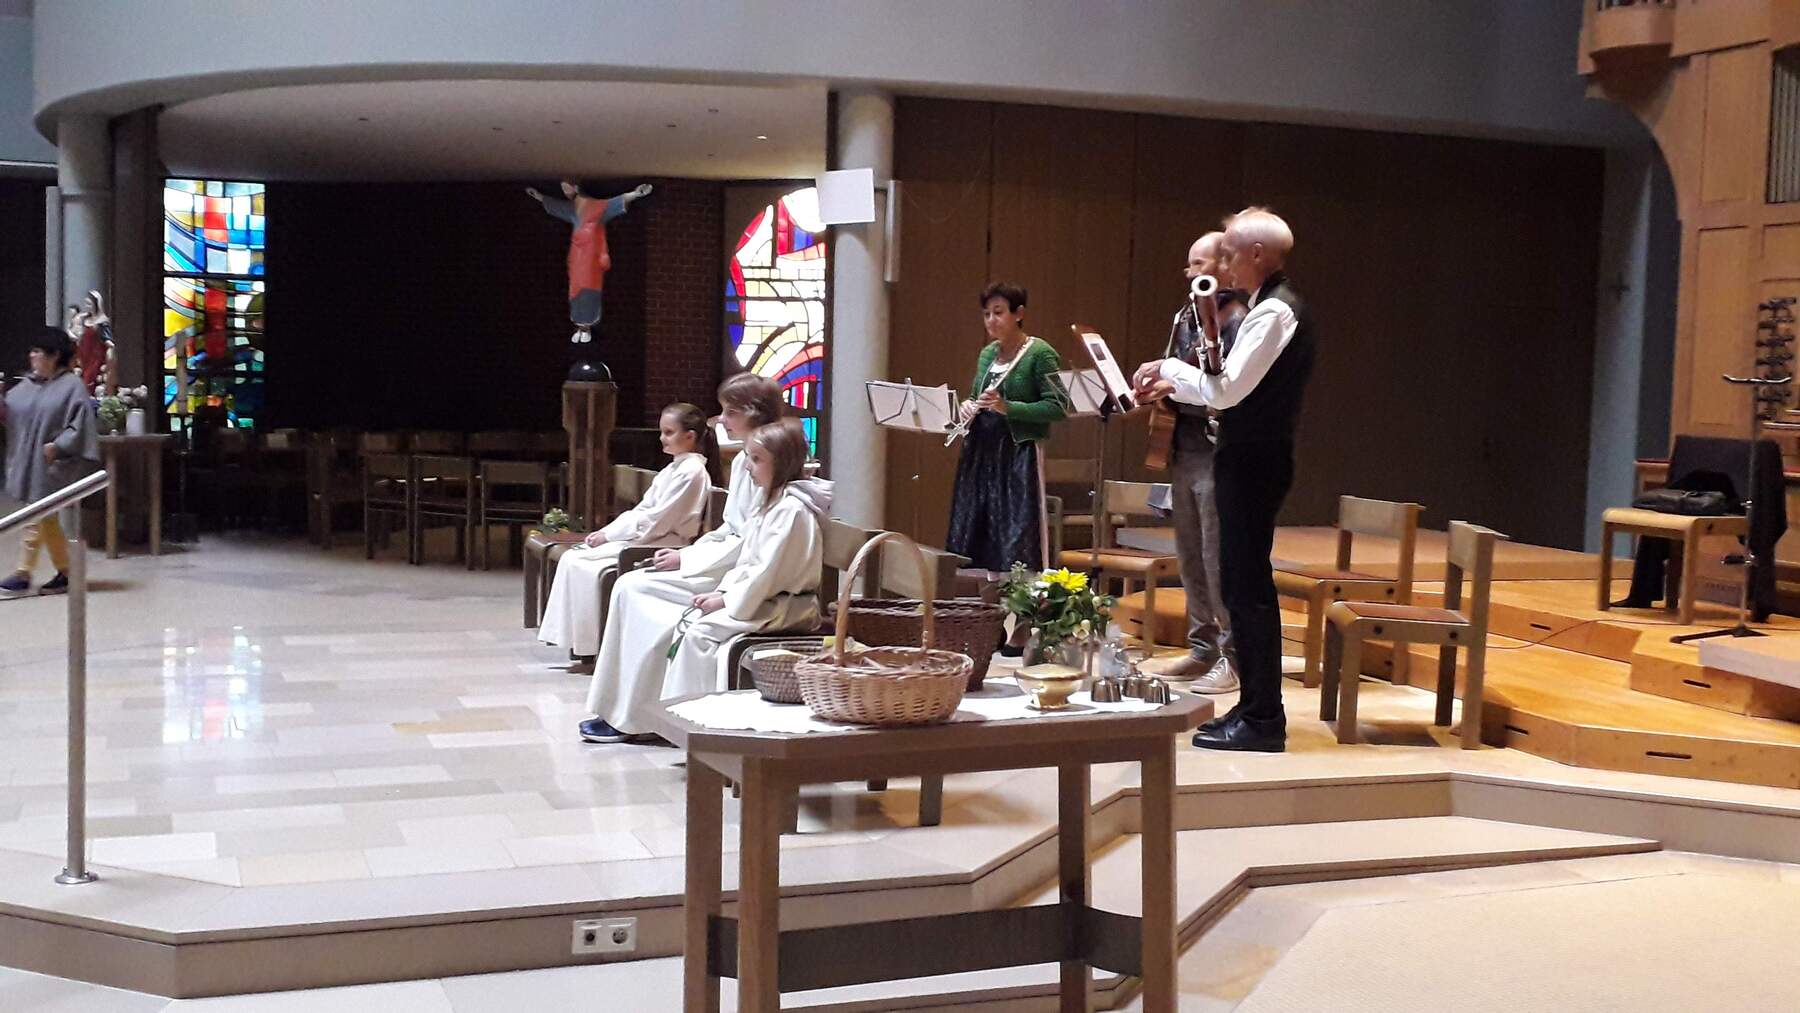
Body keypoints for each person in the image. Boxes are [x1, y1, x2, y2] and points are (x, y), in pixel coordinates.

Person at [1135, 209, 1315, 752]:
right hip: (1247, 458)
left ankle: (1263, 719)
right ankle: (1253, 707)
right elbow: (1220, 383)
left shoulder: (1274, 312)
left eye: (1231, 253)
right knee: (1239, 587)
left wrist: (1169, 371)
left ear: (1257, 254)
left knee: (1248, 591)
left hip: (1255, 460)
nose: (1225, 262)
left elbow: (1226, 391)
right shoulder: (1263, 306)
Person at [581, 418, 829, 743]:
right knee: (684, 620)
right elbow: (751, 564)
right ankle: (666, 719)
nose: (748, 467)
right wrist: (724, 592)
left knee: (697, 633)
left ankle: (694, 729)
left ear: (782, 462)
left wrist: (725, 599)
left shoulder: (791, 510)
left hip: (783, 607)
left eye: (757, 460)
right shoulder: (774, 502)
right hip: (762, 598)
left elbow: (767, 573)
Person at [572, 372, 782, 741]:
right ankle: (623, 711)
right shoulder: (745, 460)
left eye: (729, 412)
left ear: (754, 412)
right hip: (719, 561)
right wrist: (687, 554)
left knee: (637, 593)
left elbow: (752, 541)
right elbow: (729, 529)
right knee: (630, 586)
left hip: (734, 574)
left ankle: (640, 717)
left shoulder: (769, 462)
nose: (720, 420)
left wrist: (689, 561)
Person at [1146, 232, 1249, 693]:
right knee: (1189, 555)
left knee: (1216, 557)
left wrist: (1172, 384)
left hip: (1216, 447)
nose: (1192, 273)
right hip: (1182, 443)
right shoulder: (1185, 314)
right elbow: (1177, 370)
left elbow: (1224, 389)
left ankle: (1234, 657)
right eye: (1189, 265)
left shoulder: (1238, 317)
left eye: (1201, 263)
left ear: (1225, 266)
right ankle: (1202, 647)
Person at [537, 402, 717, 660]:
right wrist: (607, 533)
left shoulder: (692, 472)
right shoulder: (674, 468)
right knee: (574, 557)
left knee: (582, 564)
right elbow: (642, 510)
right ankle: (579, 641)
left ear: (689, 437)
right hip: (649, 535)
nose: (662, 438)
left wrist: (611, 536)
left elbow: (658, 520)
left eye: (669, 432)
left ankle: (590, 645)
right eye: (662, 432)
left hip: (663, 541)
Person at [945, 282, 1068, 576]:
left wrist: (1008, 407)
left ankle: (1023, 596)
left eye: (998, 312)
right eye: (986, 314)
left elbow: (1058, 407)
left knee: (1018, 529)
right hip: (982, 449)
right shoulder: (987, 354)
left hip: (1018, 449)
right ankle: (990, 599)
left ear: (1019, 313)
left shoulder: (1040, 353)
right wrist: (967, 405)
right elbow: (975, 396)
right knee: (986, 529)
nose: (991, 320)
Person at [1, 328, 102, 597]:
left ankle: (25, 572)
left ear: (54, 355)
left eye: (38, 351)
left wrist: (59, 445)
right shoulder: (29, 384)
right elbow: (12, 410)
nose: (32, 356)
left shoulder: (72, 386)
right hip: (31, 460)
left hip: (55, 463)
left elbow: (80, 425)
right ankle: (66, 571)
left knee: (37, 513)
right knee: (44, 516)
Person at [526, 180, 653, 343]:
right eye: (564, 188)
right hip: (577, 256)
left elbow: (617, 201)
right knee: (575, 288)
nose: (565, 191)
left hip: (591, 256)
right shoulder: (572, 209)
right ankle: (580, 326)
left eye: (567, 187)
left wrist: (636, 193)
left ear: (577, 188)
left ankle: (586, 326)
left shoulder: (596, 207)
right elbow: (556, 206)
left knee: (589, 288)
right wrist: (539, 197)